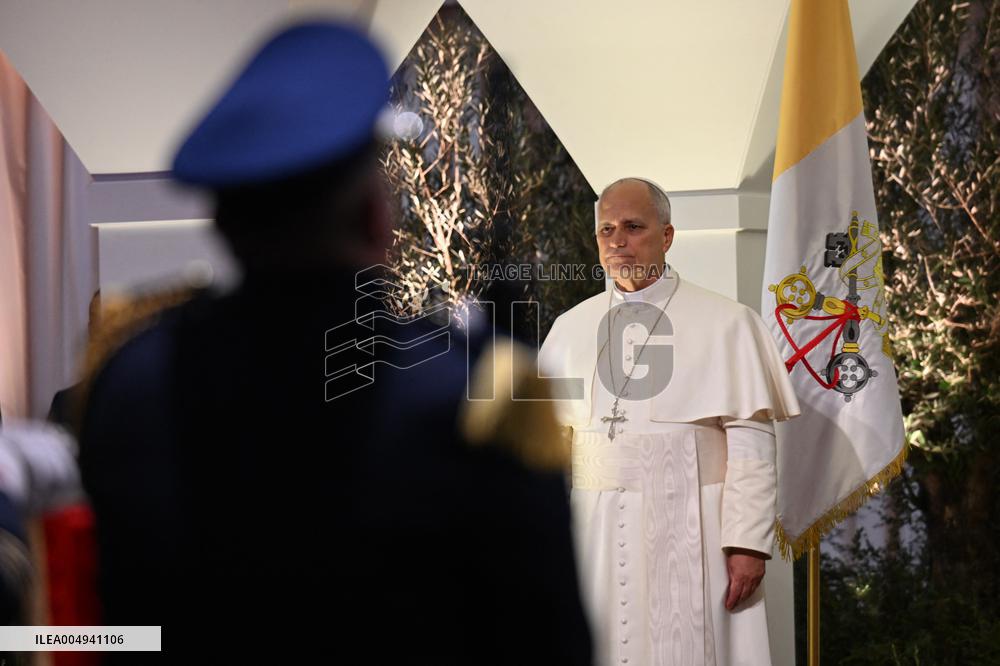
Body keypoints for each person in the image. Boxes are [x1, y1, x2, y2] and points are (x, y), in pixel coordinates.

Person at [79, 21, 591, 664]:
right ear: (376, 216)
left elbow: (115, 633)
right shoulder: (476, 401)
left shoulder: (135, 386)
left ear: (225, 225)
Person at [539, 178, 800, 666]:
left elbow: (752, 443)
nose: (618, 240)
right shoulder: (570, 328)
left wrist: (747, 543)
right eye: (607, 229)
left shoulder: (728, 322)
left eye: (633, 227)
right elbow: (548, 447)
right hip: (593, 527)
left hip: (699, 525)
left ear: (667, 235)